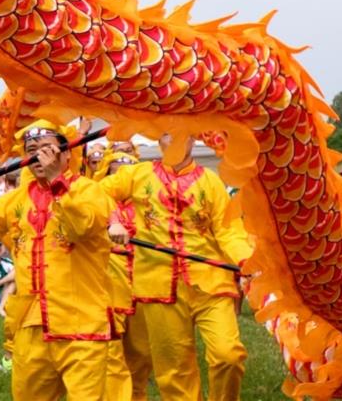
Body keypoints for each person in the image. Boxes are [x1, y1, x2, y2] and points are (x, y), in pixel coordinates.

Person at [0, 119, 113, 400]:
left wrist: (56, 181)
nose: (38, 156)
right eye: (31, 150)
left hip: (81, 323)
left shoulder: (90, 190)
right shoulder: (17, 198)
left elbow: (81, 227)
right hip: (31, 324)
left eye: (46, 149)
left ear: (66, 153)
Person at [99, 134, 252, 401]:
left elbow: (228, 231)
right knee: (174, 371)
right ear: (159, 138)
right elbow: (94, 192)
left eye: (184, 131)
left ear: (193, 139)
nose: (177, 138)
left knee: (228, 355)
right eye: (170, 132)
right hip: (158, 286)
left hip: (210, 283)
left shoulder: (211, 182)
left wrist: (245, 261)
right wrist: (114, 220)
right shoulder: (138, 174)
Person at [96, 148, 152, 401]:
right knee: (111, 349)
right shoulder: (96, 201)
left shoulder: (149, 203)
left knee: (142, 352)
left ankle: (137, 395)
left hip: (145, 280)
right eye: (116, 171)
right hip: (110, 281)